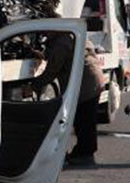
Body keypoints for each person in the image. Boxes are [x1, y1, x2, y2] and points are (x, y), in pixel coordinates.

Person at [34, 32, 104, 167]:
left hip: (85, 84)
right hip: (93, 79)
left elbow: (53, 70)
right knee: (86, 120)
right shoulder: (73, 34)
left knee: (83, 121)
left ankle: (85, 155)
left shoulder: (61, 41)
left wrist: (34, 84)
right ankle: (82, 153)